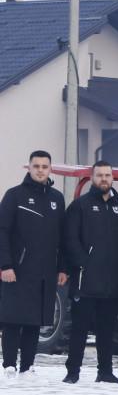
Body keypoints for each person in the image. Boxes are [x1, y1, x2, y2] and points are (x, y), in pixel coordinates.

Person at [62, 160, 118, 384]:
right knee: (79, 329)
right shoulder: (79, 206)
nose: (104, 179)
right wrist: (84, 263)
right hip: (86, 280)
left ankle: (105, 371)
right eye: (99, 175)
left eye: (107, 175)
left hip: (112, 282)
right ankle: (73, 372)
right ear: (93, 178)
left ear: (112, 178)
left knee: (106, 330)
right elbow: (70, 239)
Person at [0, 151, 66, 377]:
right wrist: (5, 265)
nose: (40, 170)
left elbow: (62, 237)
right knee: (12, 319)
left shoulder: (57, 198)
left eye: (44, 166)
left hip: (45, 271)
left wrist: (62, 268)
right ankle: (9, 365)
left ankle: (28, 367)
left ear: (50, 169)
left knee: (34, 321)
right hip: (16, 270)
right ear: (28, 168)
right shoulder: (14, 195)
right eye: (36, 166)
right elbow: (2, 231)